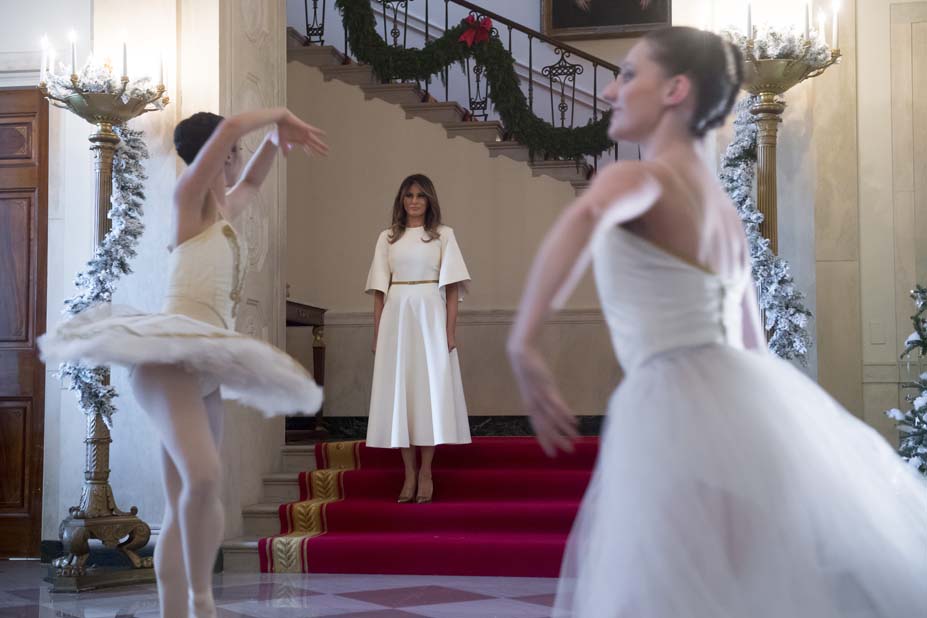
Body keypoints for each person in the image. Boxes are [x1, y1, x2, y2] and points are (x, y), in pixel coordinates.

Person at [507, 26, 927, 617]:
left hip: (669, 406)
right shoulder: (723, 212)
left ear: (676, 89)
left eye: (628, 74)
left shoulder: (636, 179)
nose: (608, 91)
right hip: (737, 410)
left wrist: (524, 341)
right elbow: (751, 345)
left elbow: (585, 219)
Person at [40, 108, 328, 618]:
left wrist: (273, 143)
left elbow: (255, 179)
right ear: (220, 151)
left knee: (188, 498)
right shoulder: (187, 201)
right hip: (170, 358)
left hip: (206, 363)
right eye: (232, 152)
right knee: (204, 476)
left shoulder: (221, 209)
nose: (239, 161)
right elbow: (233, 130)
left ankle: (191, 603)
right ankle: (196, 600)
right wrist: (280, 115)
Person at [365, 173, 471, 504]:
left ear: (429, 200)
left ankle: (426, 470)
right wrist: (378, 333)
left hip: (430, 317)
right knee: (402, 395)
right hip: (397, 318)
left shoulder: (443, 236)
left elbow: (452, 289)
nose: (413, 201)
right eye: (408, 195)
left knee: (427, 395)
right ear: (401, 200)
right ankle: (408, 472)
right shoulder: (387, 238)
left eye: (420, 195)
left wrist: (449, 332)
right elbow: (379, 293)